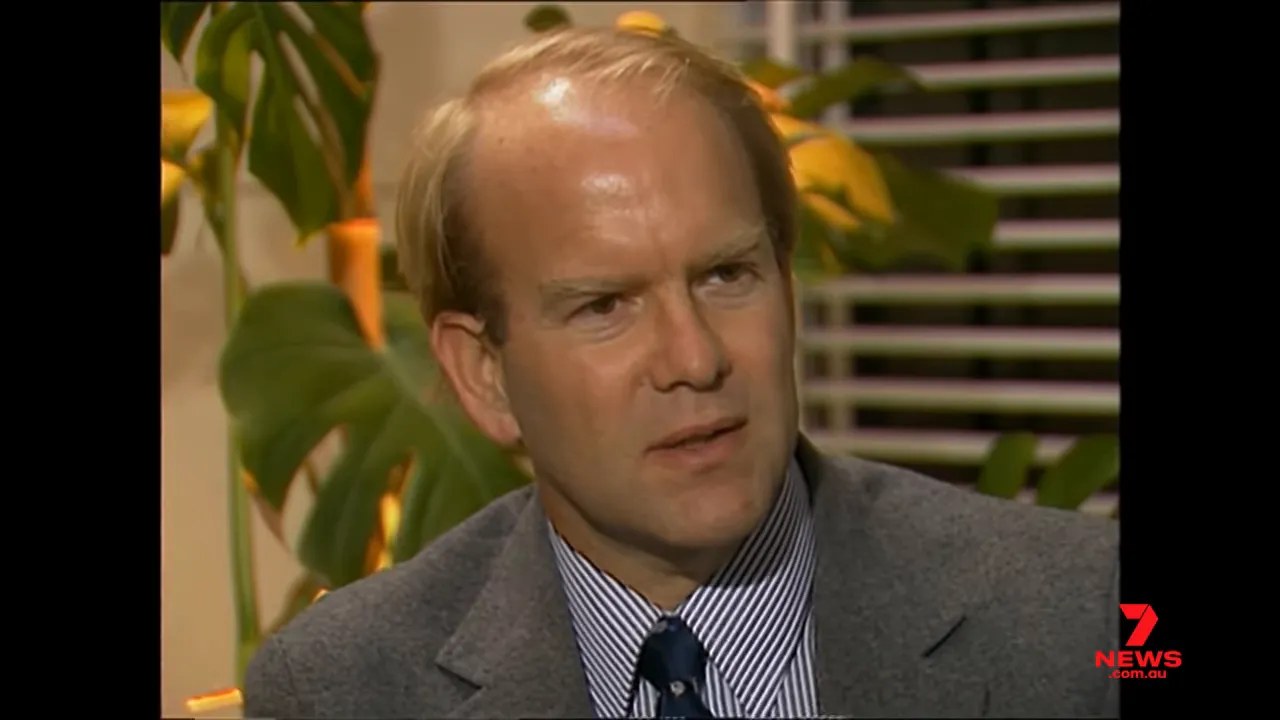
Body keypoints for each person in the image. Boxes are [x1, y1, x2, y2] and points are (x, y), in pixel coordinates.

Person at [242, 26, 1119, 720]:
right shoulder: (342, 691)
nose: (696, 359)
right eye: (603, 307)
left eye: (726, 275)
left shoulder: (1084, 623)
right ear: (483, 374)